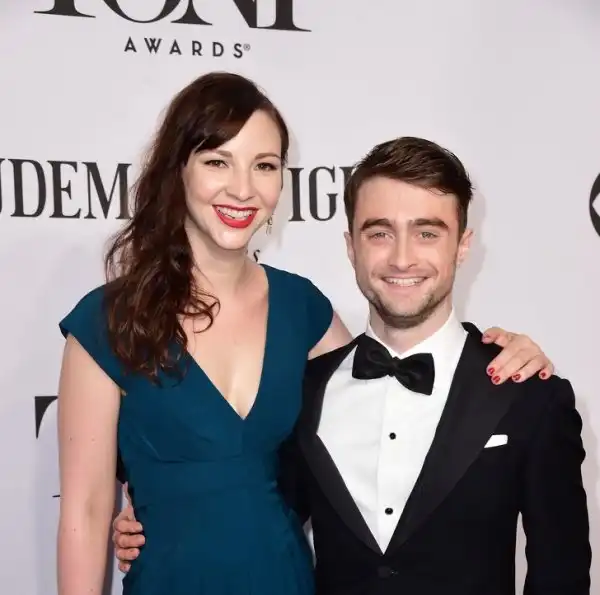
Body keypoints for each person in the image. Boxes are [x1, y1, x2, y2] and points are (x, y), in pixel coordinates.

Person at [58, 71, 554, 595]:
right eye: (217, 161)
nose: (243, 188)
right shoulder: (107, 321)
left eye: (264, 165)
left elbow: (392, 396)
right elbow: (85, 512)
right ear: (177, 170)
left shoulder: (303, 310)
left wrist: (502, 352)